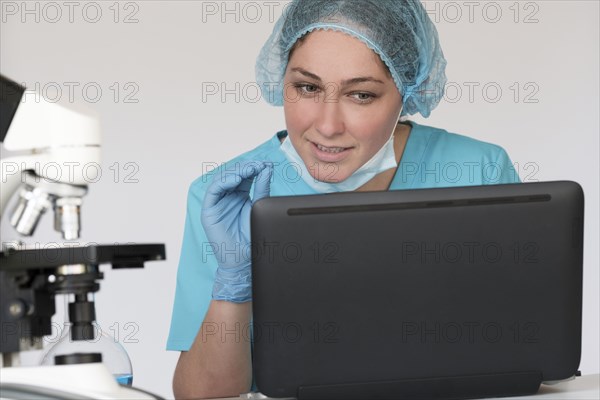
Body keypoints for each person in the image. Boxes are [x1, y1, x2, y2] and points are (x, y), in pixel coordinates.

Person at [168, 1, 520, 398]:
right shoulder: (227, 197)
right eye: (307, 87)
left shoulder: (478, 172)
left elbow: (524, 359)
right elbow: (202, 397)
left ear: (407, 91)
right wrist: (233, 285)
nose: (328, 125)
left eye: (362, 95)